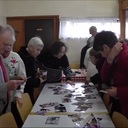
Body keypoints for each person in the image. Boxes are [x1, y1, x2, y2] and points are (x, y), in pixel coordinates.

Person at [93, 30, 128, 118]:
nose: (102, 55)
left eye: (101, 52)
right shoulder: (114, 57)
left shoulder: (125, 56)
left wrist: (118, 91)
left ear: (105, 47)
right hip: (120, 103)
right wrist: (109, 60)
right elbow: (104, 77)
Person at [0, 25, 25, 115]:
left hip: (5, 109)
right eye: (5, 44)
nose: (8, 48)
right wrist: (6, 86)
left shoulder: (1, 56)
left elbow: (2, 78)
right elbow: (4, 84)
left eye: (10, 45)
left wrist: (15, 78)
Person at [18, 37, 45, 104]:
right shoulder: (26, 59)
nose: (39, 53)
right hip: (22, 91)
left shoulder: (24, 54)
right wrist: (39, 81)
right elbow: (26, 79)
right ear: (30, 47)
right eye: (38, 50)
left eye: (40, 50)